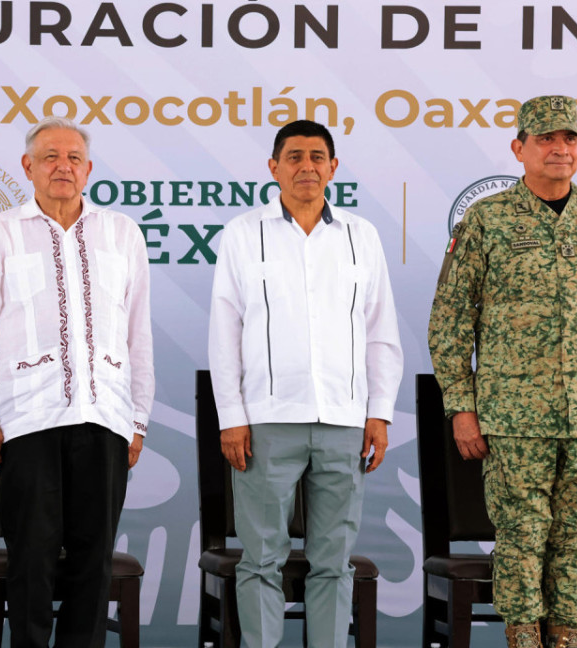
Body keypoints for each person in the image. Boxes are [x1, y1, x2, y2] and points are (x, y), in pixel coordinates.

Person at [428, 95, 577, 648]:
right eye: (546, 139)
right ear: (519, 148)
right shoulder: (488, 219)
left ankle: (567, 639)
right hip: (514, 416)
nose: (560, 148)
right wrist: (462, 406)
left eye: (569, 138)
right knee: (523, 537)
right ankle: (523, 639)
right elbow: (452, 317)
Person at [207, 120, 403, 648]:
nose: (307, 167)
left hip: (344, 420)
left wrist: (379, 412)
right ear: (274, 168)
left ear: (333, 168)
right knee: (262, 559)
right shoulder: (244, 234)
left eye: (318, 157)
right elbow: (224, 333)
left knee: (333, 562)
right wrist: (232, 417)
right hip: (267, 421)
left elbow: (381, 331)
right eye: (294, 157)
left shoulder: (362, 236)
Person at [0, 116, 154, 648]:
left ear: (88, 169)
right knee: (32, 558)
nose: (62, 166)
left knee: (94, 562)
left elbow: (139, 334)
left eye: (73, 158)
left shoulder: (121, 234)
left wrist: (138, 418)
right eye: (50, 157)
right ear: (28, 167)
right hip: (27, 419)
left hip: (106, 416)